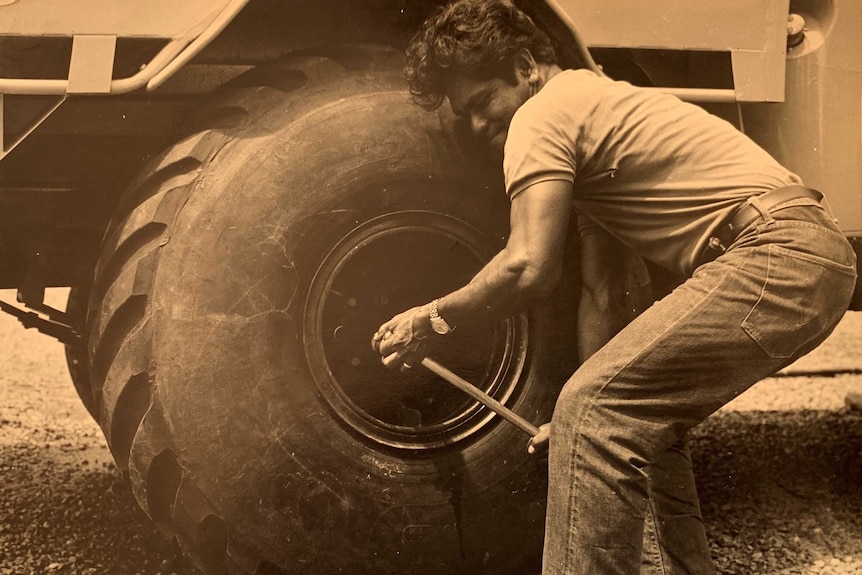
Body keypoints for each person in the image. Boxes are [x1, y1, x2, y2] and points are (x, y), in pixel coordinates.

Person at [370, 1, 858, 573]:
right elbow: (605, 291)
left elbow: (528, 266)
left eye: (482, 103)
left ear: (525, 66)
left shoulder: (542, 114)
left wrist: (433, 318)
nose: (478, 126)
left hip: (775, 254)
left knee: (595, 411)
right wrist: (587, 416)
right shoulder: (592, 108)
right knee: (632, 421)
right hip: (805, 256)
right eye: (466, 115)